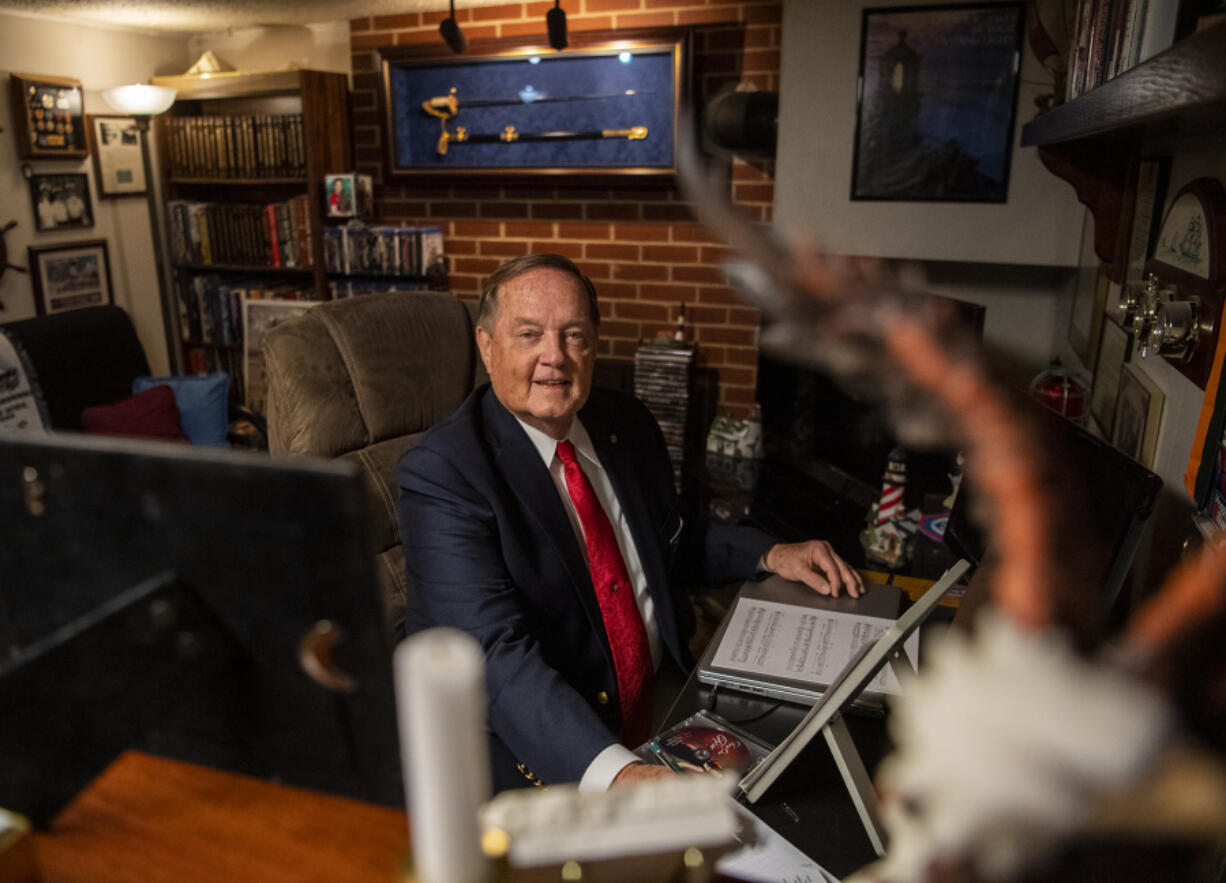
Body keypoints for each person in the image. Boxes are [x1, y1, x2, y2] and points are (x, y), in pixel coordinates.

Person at [397, 253, 862, 793]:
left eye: (574, 335)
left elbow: (671, 542)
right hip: (545, 753)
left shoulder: (626, 423)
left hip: (666, 708)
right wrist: (620, 776)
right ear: (486, 345)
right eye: (528, 335)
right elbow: (492, 659)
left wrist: (771, 554)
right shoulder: (445, 473)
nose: (555, 357)